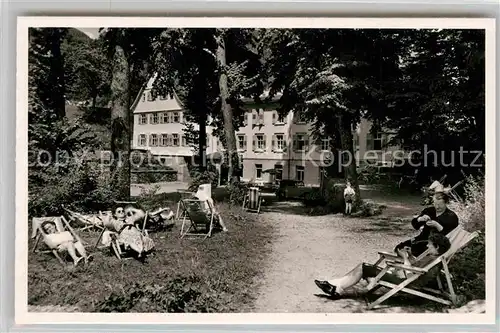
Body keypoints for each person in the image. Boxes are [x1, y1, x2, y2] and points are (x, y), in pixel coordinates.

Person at [314, 232, 451, 298]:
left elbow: (411, 272)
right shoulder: (432, 256)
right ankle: (334, 286)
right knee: (365, 267)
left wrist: (404, 258)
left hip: (404, 280)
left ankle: (335, 287)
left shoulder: (433, 259)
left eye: (430, 244)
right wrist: (409, 255)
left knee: (364, 267)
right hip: (404, 275)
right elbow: (416, 266)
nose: (427, 245)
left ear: (437, 247)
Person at [394, 191, 458, 257]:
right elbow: (415, 226)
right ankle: (407, 259)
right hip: (421, 239)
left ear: (446, 203)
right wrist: (420, 219)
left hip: (434, 245)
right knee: (399, 247)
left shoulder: (451, 217)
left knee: (412, 251)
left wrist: (437, 226)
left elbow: (449, 238)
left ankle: (409, 261)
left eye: (440, 205)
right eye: (435, 204)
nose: (437, 207)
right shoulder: (429, 211)